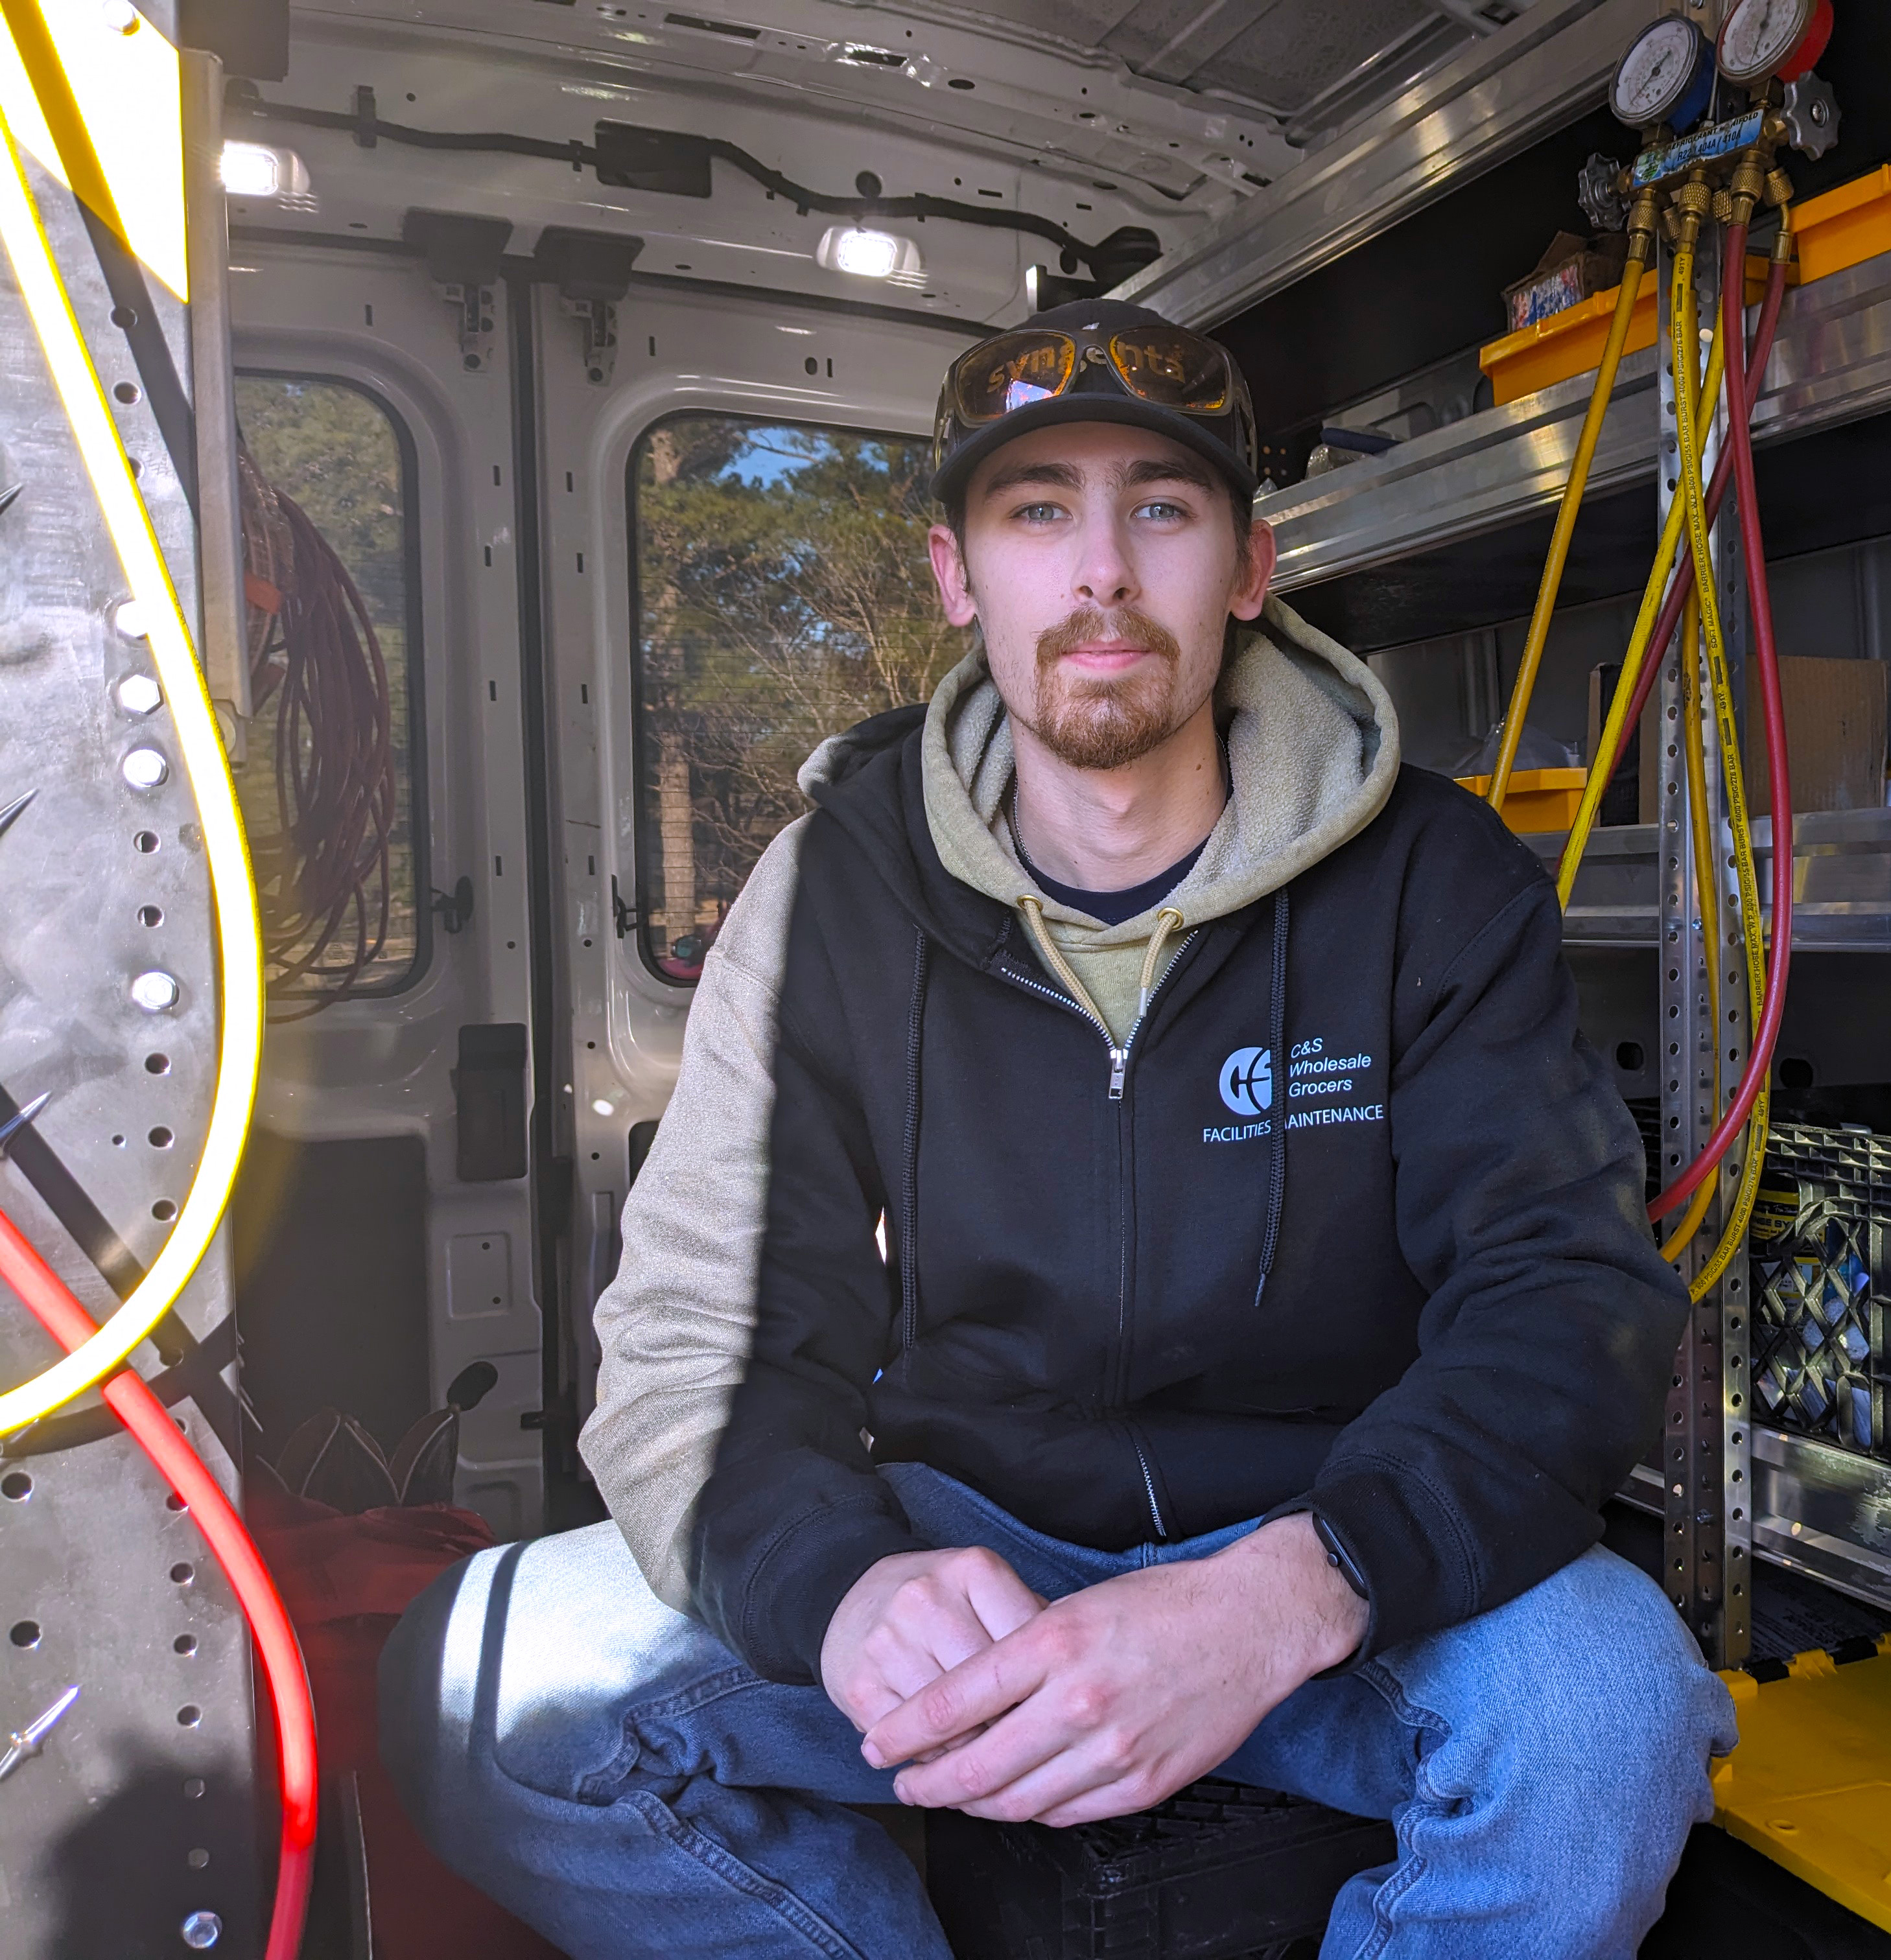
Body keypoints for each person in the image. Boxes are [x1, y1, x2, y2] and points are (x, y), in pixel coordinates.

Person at [381, 298, 1733, 1958]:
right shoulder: (831, 899)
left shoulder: (1432, 882)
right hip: (964, 1549)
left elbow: (1567, 1301)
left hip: (1325, 1558)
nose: (1102, 570)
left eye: (1161, 507)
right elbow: (693, 1345)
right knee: (482, 1684)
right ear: (958, 577)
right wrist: (840, 1586)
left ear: (1249, 565)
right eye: (1039, 512)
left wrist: (1298, 1586)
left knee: (1611, 1720)